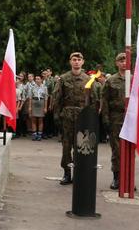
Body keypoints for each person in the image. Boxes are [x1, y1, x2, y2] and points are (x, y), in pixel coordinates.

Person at [54, 52, 95, 185]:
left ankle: (80, 173)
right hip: (67, 116)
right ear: (70, 62)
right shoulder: (63, 78)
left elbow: (93, 100)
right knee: (66, 146)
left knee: (82, 146)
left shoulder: (88, 79)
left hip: (83, 117)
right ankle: (67, 173)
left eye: (79, 60)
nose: (76, 62)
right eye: (74, 59)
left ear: (83, 62)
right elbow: (57, 99)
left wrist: (92, 118)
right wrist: (56, 115)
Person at [101, 53, 127, 190]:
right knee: (116, 149)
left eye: (126, 60)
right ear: (116, 63)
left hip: (130, 118)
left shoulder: (134, 79)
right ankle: (117, 178)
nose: (124, 63)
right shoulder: (111, 81)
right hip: (115, 117)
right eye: (121, 61)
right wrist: (105, 118)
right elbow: (104, 100)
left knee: (129, 150)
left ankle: (128, 178)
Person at [29, 75, 48, 141]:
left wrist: (45, 107)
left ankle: (39, 134)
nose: (37, 80)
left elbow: (46, 98)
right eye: (36, 79)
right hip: (34, 102)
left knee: (40, 119)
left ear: (41, 80)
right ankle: (34, 134)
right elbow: (30, 98)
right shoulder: (32, 87)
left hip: (41, 103)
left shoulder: (44, 87)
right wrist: (30, 107)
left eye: (38, 79)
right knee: (33, 119)